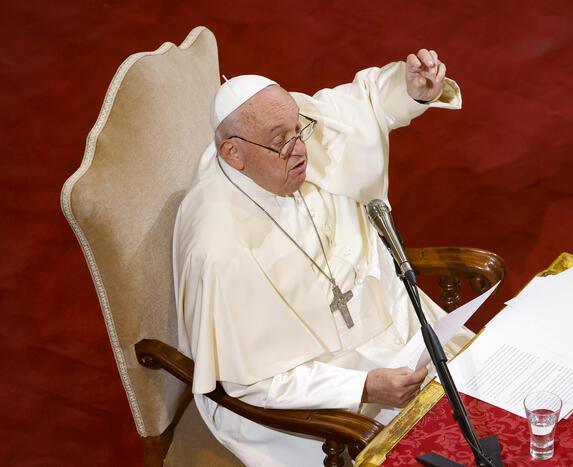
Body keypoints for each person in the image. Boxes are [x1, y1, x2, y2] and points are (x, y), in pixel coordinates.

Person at [173, 49, 473, 466]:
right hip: (303, 399)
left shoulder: (288, 130)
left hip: (391, 340)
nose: (301, 151)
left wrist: (411, 89)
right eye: (282, 142)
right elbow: (249, 383)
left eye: (300, 131)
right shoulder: (218, 249)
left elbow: (363, 101)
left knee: (493, 399)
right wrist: (363, 388)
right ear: (232, 154)